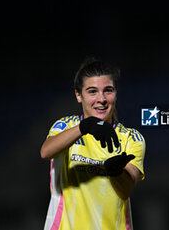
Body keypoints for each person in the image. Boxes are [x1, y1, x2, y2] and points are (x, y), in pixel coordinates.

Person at [40, 58, 145, 230]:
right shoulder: (65, 127)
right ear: (78, 95)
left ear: (116, 94)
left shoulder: (131, 138)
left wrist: (116, 172)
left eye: (108, 90)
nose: (101, 99)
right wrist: (84, 127)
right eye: (92, 91)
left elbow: (126, 190)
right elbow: (46, 152)